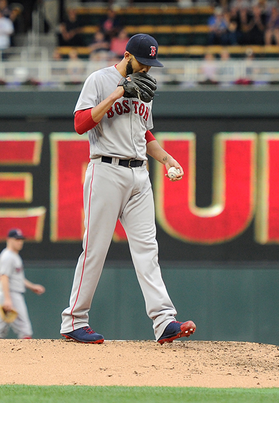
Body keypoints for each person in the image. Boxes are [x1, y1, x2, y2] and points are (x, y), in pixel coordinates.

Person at [60, 33, 195, 345]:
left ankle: (164, 322)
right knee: (95, 248)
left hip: (139, 174)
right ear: (127, 56)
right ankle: (74, 320)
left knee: (148, 250)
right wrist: (118, 93)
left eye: (151, 64)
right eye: (143, 62)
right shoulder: (99, 80)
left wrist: (166, 159)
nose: (147, 69)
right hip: (105, 170)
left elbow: (145, 135)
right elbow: (80, 124)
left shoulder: (144, 89)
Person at [0, 228, 45, 340]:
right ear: (9, 240)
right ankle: (27, 356)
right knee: (25, 330)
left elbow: (17, 278)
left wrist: (32, 287)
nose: (20, 242)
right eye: (17, 239)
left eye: (21, 239)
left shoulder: (14, 256)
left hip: (8, 294)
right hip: (10, 294)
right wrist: (7, 299)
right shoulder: (7, 256)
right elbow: (3, 277)